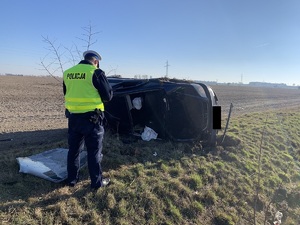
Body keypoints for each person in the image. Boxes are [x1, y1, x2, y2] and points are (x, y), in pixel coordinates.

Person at [63, 50, 113, 190]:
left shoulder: (68, 73)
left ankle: (72, 180)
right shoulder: (96, 73)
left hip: (73, 118)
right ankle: (96, 183)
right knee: (94, 152)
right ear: (96, 61)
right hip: (92, 120)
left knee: (73, 150)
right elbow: (108, 96)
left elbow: (66, 93)